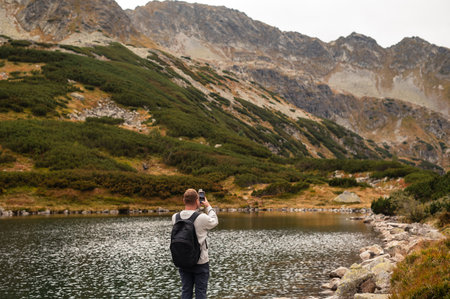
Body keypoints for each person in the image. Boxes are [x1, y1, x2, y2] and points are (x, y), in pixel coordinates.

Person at [172, 188, 218, 299]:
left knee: (186, 291)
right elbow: (215, 221)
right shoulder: (201, 217)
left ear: (184, 200)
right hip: (200, 261)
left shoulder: (175, 217)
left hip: (183, 260)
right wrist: (208, 206)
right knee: (201, 293)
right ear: (197, 200)